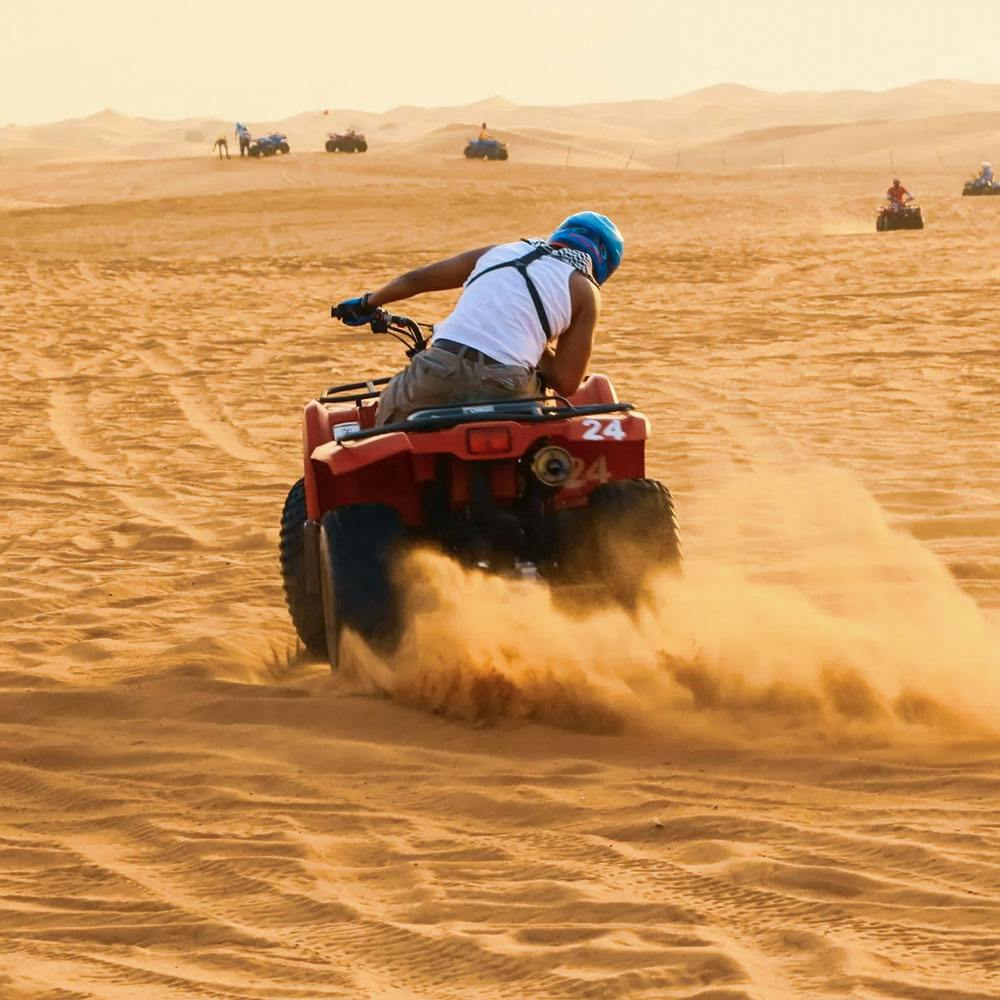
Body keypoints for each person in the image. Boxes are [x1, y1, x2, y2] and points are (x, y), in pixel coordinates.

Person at [334, 212, 624, 427]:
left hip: (438, 371)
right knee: (541, 432)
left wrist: (367, 303)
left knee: (388, 420)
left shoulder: (500, 251)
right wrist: (532, 341)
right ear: (604, 265)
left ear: (559, 234)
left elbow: (417, 279)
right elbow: (566, 382)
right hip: (508, 388)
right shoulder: (584, 290)